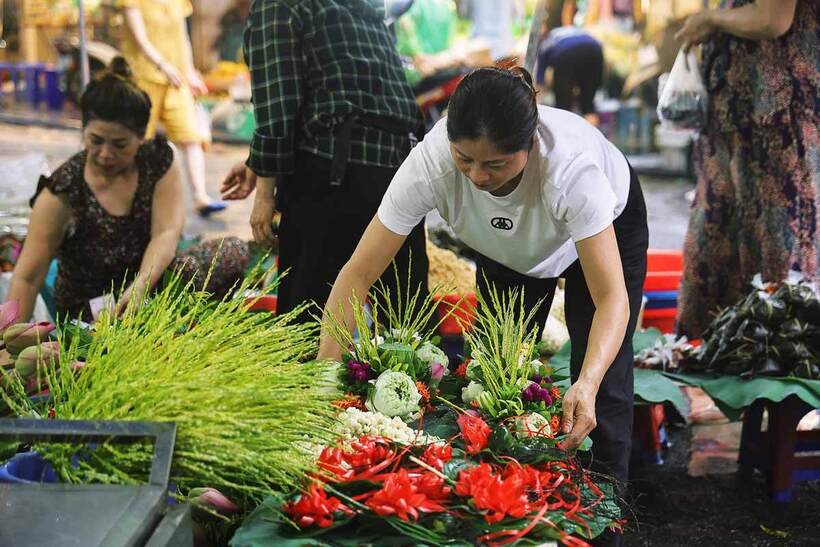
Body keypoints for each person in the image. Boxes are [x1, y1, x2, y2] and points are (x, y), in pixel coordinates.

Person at [318, 66, 648, 542]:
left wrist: (588, 381)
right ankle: (510, 521)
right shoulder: (429, 164)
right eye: (464, 159)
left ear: (530, 145)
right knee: (491, 385)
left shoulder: (574, 172)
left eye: (494, 165)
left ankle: (602, 533)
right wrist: (328, 371)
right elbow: (358, 273)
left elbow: (610, 296)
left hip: (607, 233)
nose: (475, 176)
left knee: (600, 397)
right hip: (509, 253)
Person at [220, 0, 429, 323]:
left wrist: (264, 195)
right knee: (405, 326)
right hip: (400, 167)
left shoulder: (276, 5)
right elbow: (350, 87)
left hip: (335, 173)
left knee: (307, 316)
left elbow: (277, 105)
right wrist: (256, 162)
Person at [674, 0, 817, 337]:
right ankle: (715, 349)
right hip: (737, 119)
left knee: (774, 249)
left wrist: (710, 19)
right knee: (722, 234)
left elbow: (772, 20)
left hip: (775, 115)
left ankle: (769, 355)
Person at [5, 58, 185, 322]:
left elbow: (167, 231)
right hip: (92, 313)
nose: (105, 154)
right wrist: (8, 344)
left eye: (120, 144)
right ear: (83, 131)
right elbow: (27, 277)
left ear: (140, 138)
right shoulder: (63, 190)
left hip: (146, 289)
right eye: (95, 141)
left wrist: (139, 287)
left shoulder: (158, 159)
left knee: (222, 255)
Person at [118, 0, 226, 217]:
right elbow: (139, 39)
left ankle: (200, 197)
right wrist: (163, 65)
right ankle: (134, 200)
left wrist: (190, 71)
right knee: (140, 142)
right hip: (143, 77)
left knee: (191, 135)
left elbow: (183, 39)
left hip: (176, 79)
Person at [535, 25, 604, 125]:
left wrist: (536, 107)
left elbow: (540, 81)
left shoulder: (544, 44)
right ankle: (593, 135)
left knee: (563, 108)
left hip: (566, 53)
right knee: (588, 104)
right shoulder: (565, 30)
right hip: (595, 50)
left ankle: (564, 136)